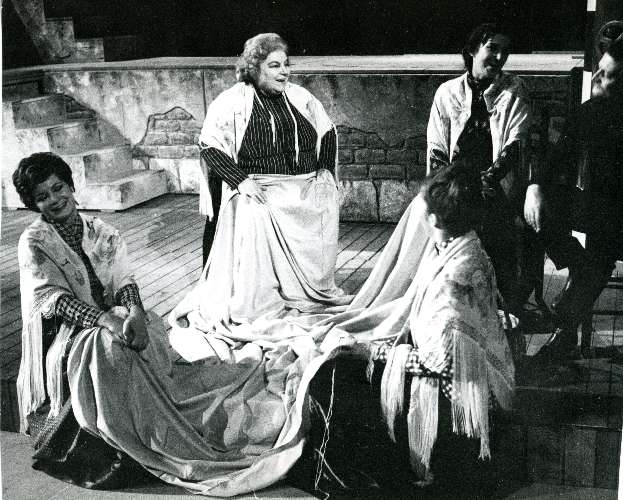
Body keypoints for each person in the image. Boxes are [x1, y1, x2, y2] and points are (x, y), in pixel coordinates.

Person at [287, 164, 515, 497]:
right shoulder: (469, 250)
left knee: (333, 376)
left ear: (433, 220)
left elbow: (440, 362)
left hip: (455, 407)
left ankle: (350, 479)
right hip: (475, 387)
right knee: (343, 365)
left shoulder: (455, 276)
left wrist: (374, 351)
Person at [186, 32, 348, 329]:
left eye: (286, 64)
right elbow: (209, 145)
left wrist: (325, 171)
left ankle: (311, 287)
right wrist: (240, 180)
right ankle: (260, 296)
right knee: (255, 212)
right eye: (274, 66)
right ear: (254, 68)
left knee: (325, 201)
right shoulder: (232, 101)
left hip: (302, 184)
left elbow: (328, 132)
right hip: (258, 185)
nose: (284, 72)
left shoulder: (301, 97)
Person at [13, 152, 155, 488]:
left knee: (152, 329)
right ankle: (116, 445)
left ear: (71, 186)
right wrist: (106, 320)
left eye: (58, 188)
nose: (54, 199)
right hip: (61, 331)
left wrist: (135, 311)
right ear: (34, 205)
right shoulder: (34, 241)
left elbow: (123, 279)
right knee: (107, 347)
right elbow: (55, 300)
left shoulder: (102, 231)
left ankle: (148, 432)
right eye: (42, 196)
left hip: (107, 317)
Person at [524, 37, 623, 360]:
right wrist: (535, 187)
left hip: (615, 223)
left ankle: (564, 332)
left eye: (609, 75)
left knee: (601, 249)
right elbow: (556, 159)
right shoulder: (591, 111)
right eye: (599, 70)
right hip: (600, 211)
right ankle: (579, 268)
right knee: (530, 205)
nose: (598, 79)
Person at [427, 23, 532, 315]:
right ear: (473, 50)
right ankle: (447, 304)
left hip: (495, 186)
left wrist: (487, 182)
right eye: (492, 49)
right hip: (453, 186)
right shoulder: (447, 93)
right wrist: (448, 190)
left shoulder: (515, 90)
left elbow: (516, 143)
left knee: (494, 224)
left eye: (504, 51)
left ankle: (498, 307)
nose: (499, 57)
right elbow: (436, 147)